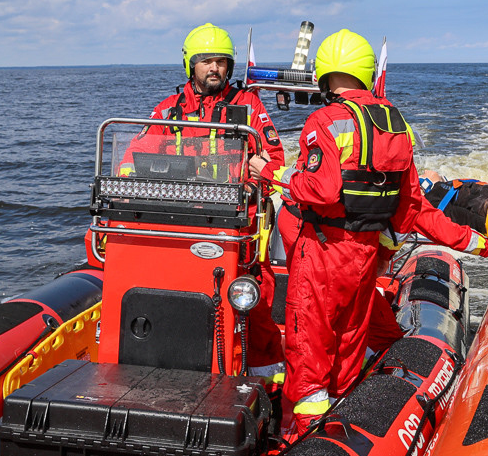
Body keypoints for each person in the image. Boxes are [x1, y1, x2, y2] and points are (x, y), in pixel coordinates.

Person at [250, 29, 433, 435]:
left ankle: (299, 440)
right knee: (349, 342)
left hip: (324, 250)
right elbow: (409, 202)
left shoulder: (325, 120)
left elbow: (321, 188)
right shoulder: (397, 123)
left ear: (325, 72)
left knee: (308, 346)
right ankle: (340, 432)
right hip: (365, 252)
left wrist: (273, 172)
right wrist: (386, 247)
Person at [116, 23, 287, 376]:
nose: (215, 69)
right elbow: (132, 157)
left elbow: (275, 160)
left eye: (222, 62)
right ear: (190, 65)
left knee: (257, 298)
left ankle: (266, 376)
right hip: (183, 222)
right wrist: (127, 182)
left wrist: (261, 171)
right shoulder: (168, 111)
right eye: (206, 61)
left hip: (238, 226)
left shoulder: (249, 108)